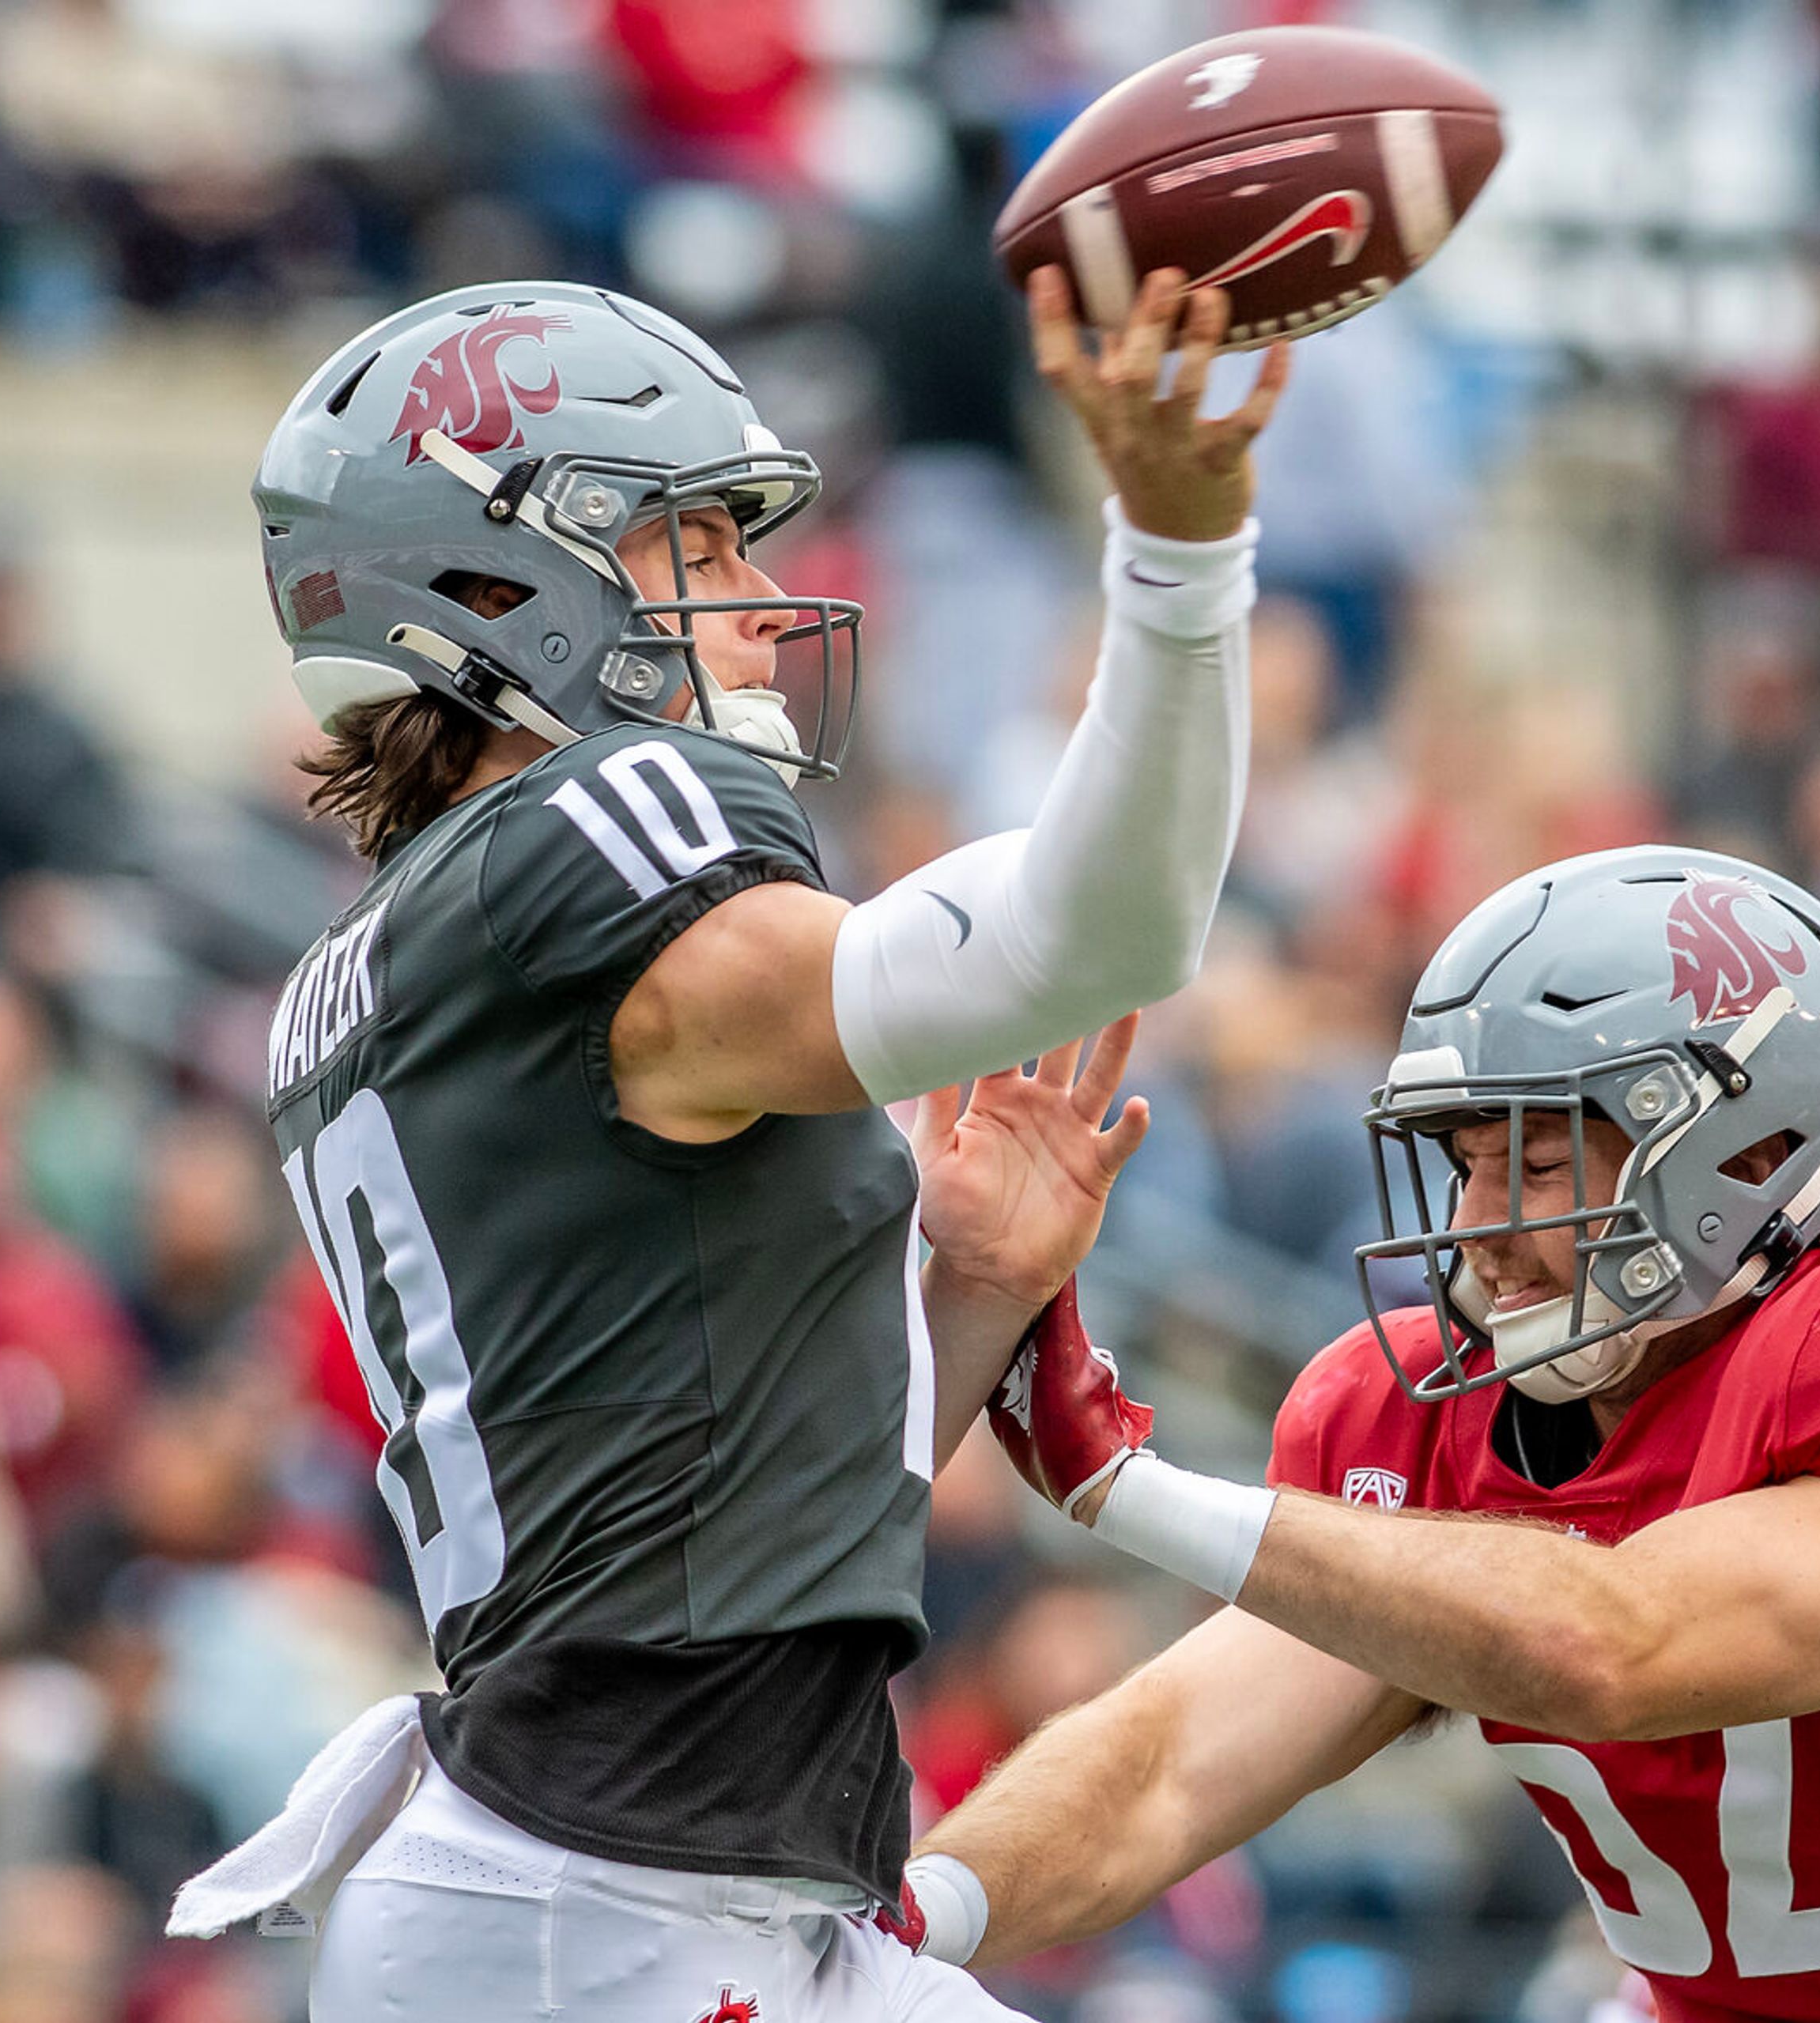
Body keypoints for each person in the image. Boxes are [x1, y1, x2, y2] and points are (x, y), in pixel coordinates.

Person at [164, 265, 1289, 2023]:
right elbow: (1093, 935)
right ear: (492, 582)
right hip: (607, 1905)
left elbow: (711, 1481)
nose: (770, 601)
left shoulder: (413, 951)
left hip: (620, 1886)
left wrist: (972, 1291)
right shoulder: (583, 836)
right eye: (700, 543)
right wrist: (1179, 549)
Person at [922, 846, 1820, 2023]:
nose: (1478, 1223)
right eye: (1467, 1158)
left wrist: (1126, 1484)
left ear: (1756, 1153)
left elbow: (1622, 1645)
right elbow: (1167, 1763)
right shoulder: (1418, 1404)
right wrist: (912, 1923)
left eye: (1540, 1157)